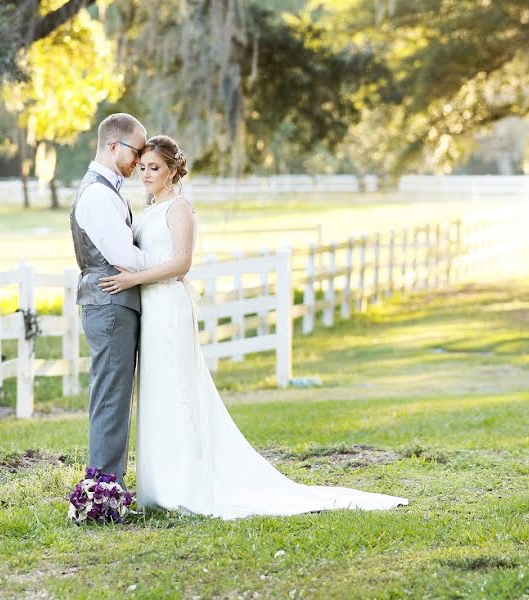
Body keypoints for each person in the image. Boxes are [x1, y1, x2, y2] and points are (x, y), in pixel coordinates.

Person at [99, 135, 408, 519]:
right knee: (157, 390)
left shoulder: (179, 209)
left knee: (176, 388)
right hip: (151, 308)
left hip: (169, 309)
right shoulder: (147, 210)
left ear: (173, 170)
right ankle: (159, 487)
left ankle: (185, 486)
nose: (145, 174)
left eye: (154, 168)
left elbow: (181, 264)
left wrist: (133, 280)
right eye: (143, 167)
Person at [69, 113, 163, 485]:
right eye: (137, 150)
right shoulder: (95, 193)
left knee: (115, 398)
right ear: (113, 146)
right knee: (111, 399)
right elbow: (123, 255)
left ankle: (109, 485)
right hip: (109, 306)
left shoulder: (107, 190)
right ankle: (104, 490)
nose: (140, 160)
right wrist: (170, 264)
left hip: (116, 305)